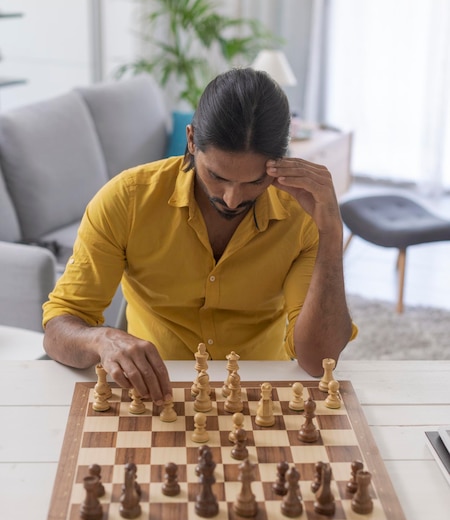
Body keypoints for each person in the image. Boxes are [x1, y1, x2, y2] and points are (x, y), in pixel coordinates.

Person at [42, 68, 356, 404]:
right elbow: (58, 331)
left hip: (259, 393)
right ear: (191, 141)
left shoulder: (301, 214)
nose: (232, 199)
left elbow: (318, 360)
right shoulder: (127, 200)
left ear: (280, 162)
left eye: (253, 182)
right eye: (217, 176)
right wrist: (101, 340)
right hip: (153, 394)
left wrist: (330, 232)